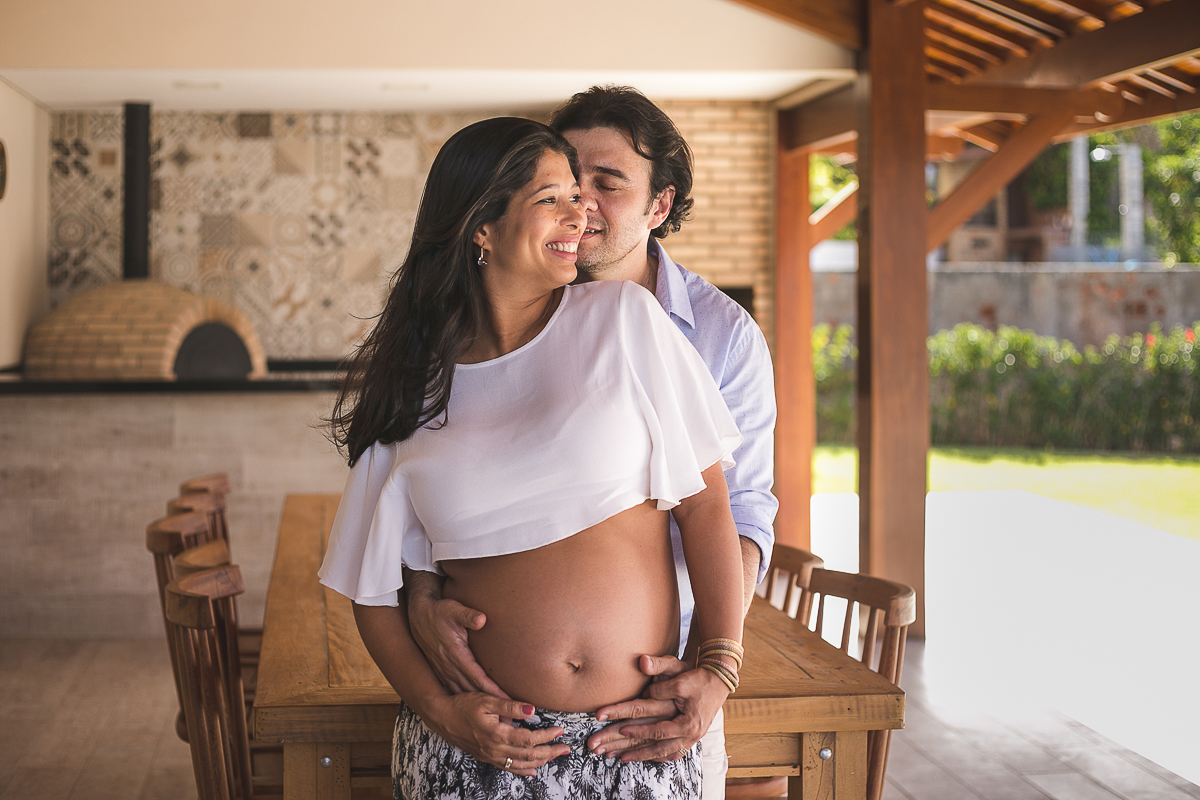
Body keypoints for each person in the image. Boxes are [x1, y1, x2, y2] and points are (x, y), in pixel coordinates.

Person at [319, 116, 748, 800]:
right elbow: (370, 592)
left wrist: (720, 665)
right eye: (554, 195)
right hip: (478, 756)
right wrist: (442, 711)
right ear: (480, 226)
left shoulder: (623, 320)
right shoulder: (412, 381)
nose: (582, 212)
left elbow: (706, 505)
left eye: (581, 194)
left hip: (639, 743)